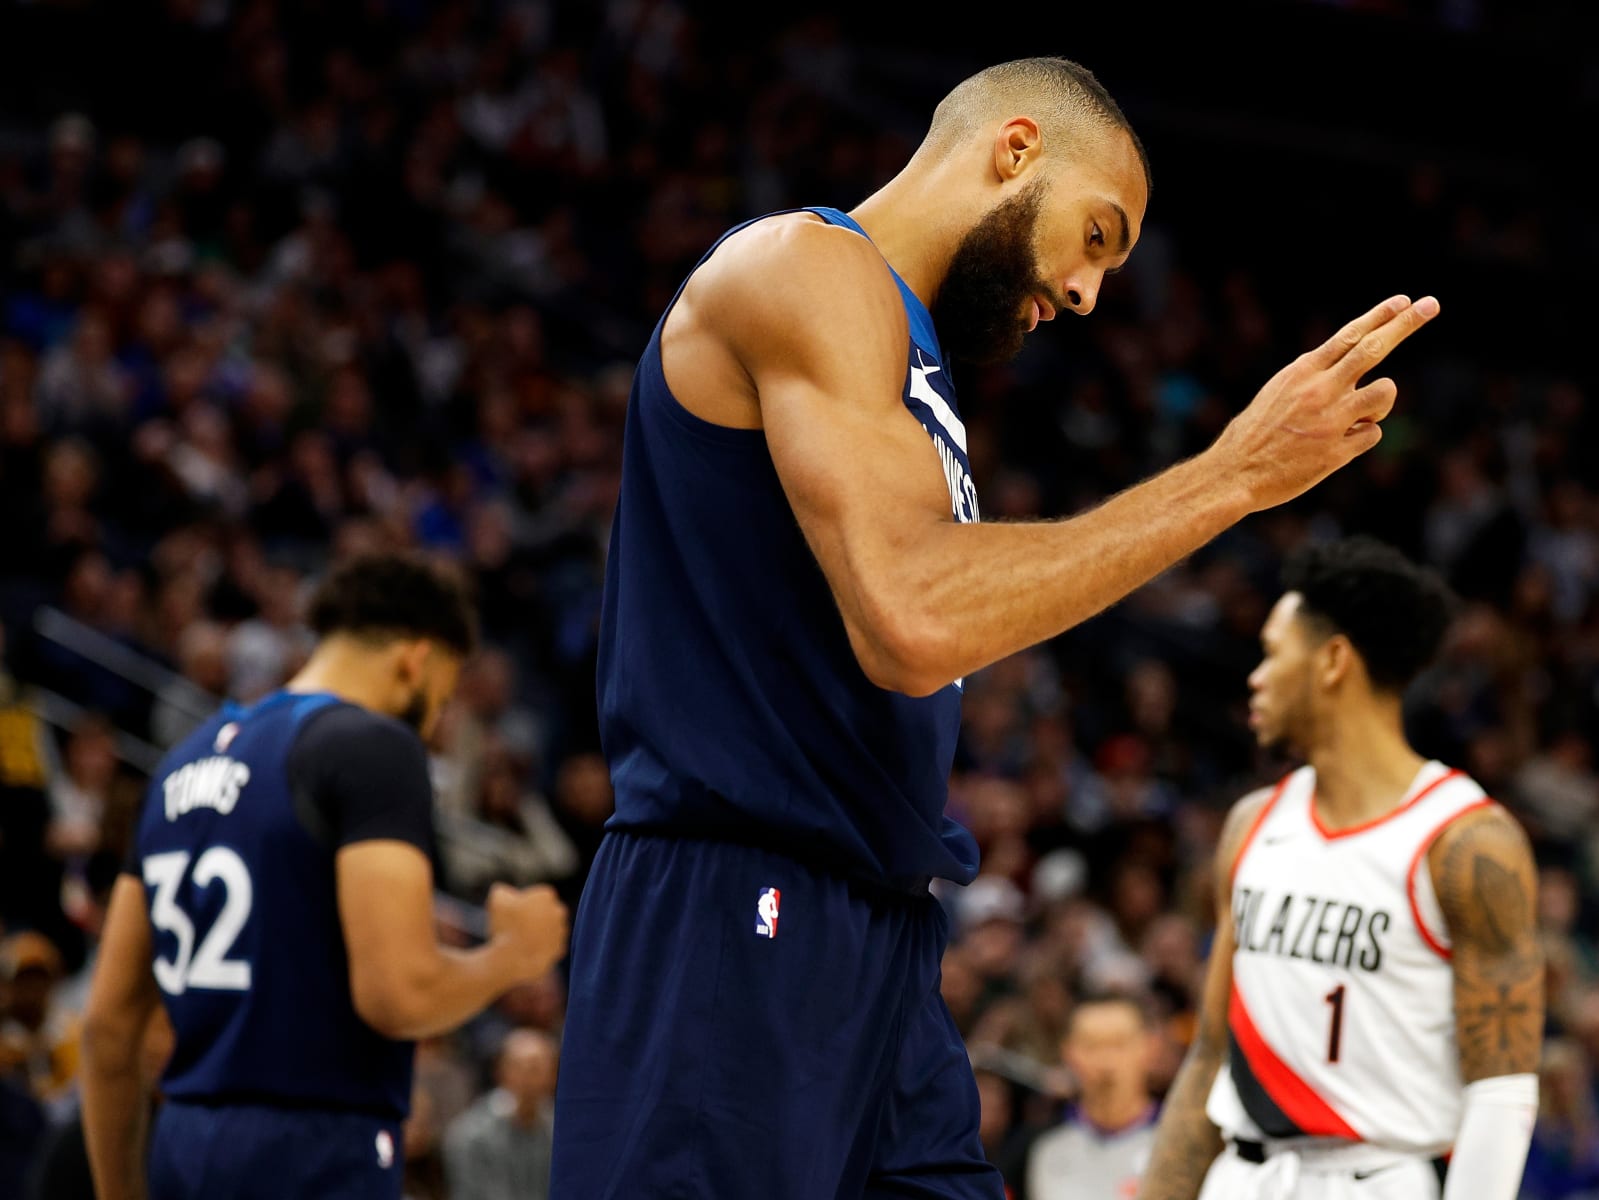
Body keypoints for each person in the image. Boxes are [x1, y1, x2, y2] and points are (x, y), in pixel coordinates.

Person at [550, 54, 1439, 1200]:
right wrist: (1231, 478)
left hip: (876, 935)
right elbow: (913, 617)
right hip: (737, 906)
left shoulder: (914, 368)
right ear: (1016, 151)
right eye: (1097, 236)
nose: (1086, 293)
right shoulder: (808, 268)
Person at [78, 553, 569, 1200]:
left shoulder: (182, 761)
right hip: (311, 1146)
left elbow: (108, 1027)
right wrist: (516, 956)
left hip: (186, 1140)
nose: (430, 726)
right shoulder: (372, 746)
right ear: (414, 660)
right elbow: (398, 996)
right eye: (442, 699)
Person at [1139, 536, 1545, 1200]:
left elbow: (1500, 1090)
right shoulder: (1251, 825)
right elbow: (1212, 1053)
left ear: (1332, 661)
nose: (1256, 676)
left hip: (1375, 1179)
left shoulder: (1465, 840)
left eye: (1274, 652)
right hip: (1241, 1176)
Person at [1024, 992, 1160, 1200]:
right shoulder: (1040, 1148)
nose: (1106, 1061)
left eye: (1119, 1044)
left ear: (1150, 1048)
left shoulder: (1180, 1144)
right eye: (1091, 1045)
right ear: (1068, 1052)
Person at [442, 1028, 558, 1200]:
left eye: (535, 1068)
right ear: (500, 1070)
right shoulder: (469, 1134)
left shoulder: (560, 1131)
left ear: (554, 1074)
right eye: (519, 1067)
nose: (527, 1077)